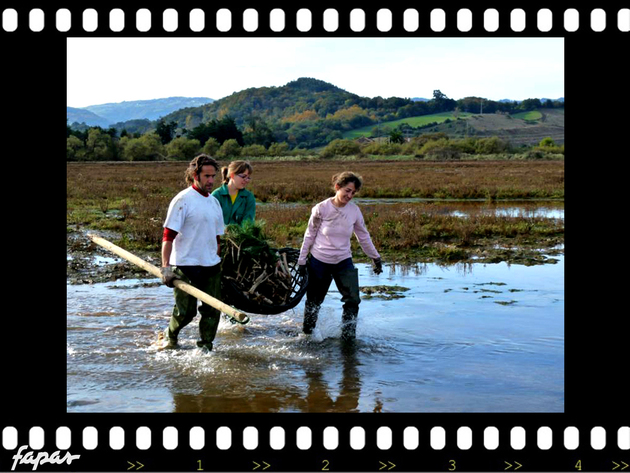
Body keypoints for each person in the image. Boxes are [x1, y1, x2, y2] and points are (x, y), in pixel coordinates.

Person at [297, 172, 382, 343]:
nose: (349, 196)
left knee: (353, 300)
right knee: (314, 301)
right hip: (319, 261)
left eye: (353, 192)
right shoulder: (321, 208)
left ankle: (348, 338)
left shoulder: (354, 211)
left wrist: (375, 257)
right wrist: (301, 261)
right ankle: (307, 336)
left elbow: (363, 236)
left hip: (343, 261)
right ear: (337, 187)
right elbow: (309, 235)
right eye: (347, 190)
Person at [159, 154, 225, 351]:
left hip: (211, 265)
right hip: (186, 265)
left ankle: (205, 347)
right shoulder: (183, 200)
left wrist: (218, 258)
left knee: (212, 311)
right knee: (186, 312)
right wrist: (165, 268)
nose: (211, 181)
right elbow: (167, 236)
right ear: (195, 175)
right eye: (206, 176)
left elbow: (217, 237)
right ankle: (170, 337)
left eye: (213, 176)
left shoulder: (214, 203)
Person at [211, 160, 256, 225]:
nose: (246, 180)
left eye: (248, 177)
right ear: (232, 175)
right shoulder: (216, 196)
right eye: (243, 176)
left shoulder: (249, 197)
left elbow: (248, 223)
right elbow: (212, 222)